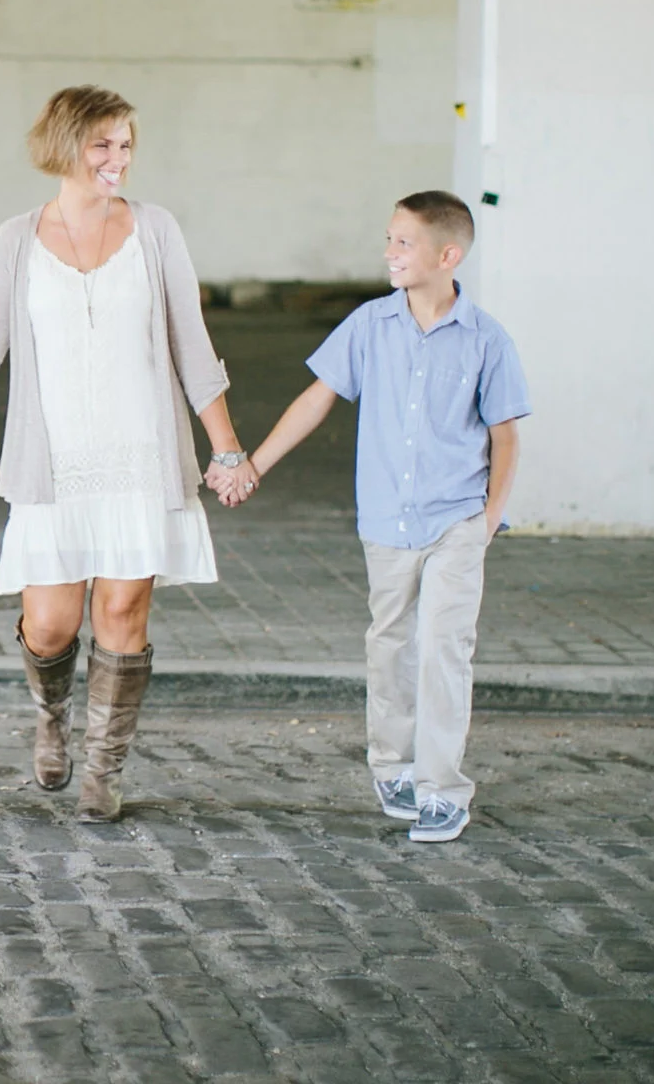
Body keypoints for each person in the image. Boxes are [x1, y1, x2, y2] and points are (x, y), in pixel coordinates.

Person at [0, 86, 259, 824]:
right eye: (103, 144)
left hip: (141, 458)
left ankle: (104, 766)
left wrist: (226, 450)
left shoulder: (157, 230)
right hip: (55, 466)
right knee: (51, 626)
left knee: (123, 609)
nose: (117, 159)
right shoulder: (16, 239)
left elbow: (193, 347)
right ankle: (52, 716)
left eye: (125, 144)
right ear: (65, 146)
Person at [242, 190, 528, 843]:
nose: (390, 252)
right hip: (387, 521)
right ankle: (394, 766)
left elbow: (506, 437)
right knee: (390, 644)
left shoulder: (487, 340)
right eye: (389, 239)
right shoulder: (369, 325)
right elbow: (316, 400)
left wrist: (487, 521)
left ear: (447, 256)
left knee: (444, 649)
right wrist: (254, 464)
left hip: (457, 519)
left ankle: (443, 789)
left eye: (405, 242)